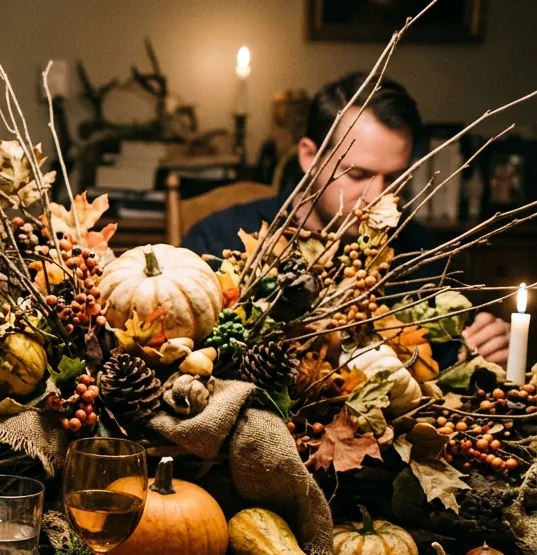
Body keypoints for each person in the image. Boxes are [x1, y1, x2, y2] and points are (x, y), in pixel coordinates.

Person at [182, 72, 510, 366]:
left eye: (396, 178)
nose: (379, 196)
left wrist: (479, 352)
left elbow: (446, 363)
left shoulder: (425, 256)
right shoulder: (216, 241)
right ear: (310, 155)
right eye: (358, 174)